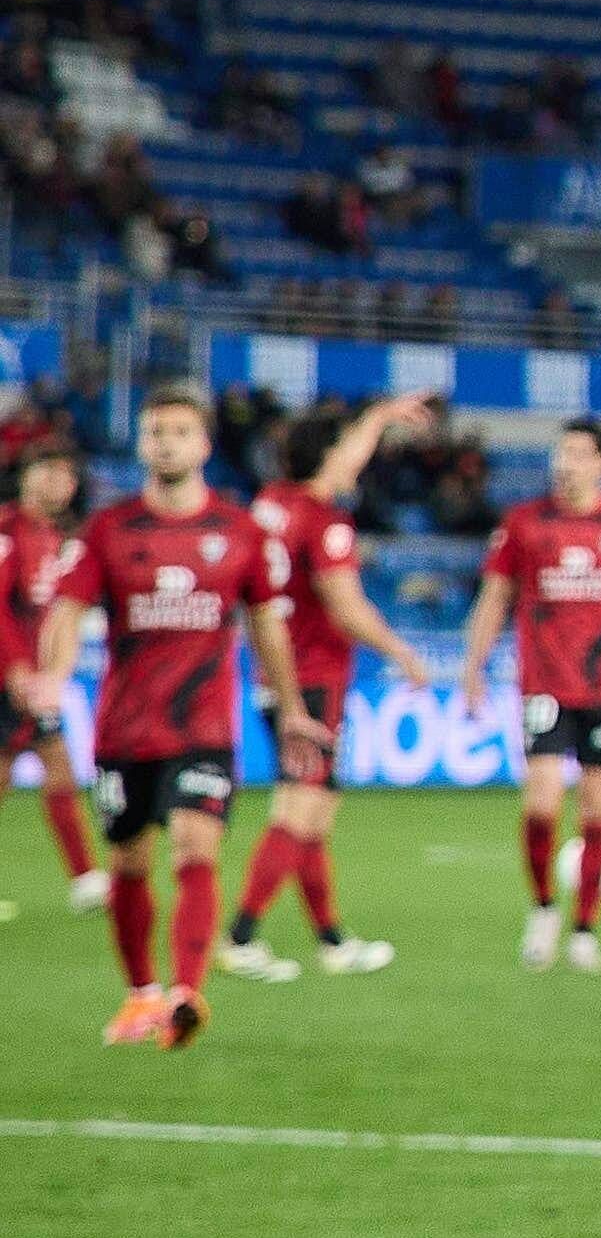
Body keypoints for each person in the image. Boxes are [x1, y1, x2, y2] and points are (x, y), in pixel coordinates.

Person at [49, 392, 317, 1047]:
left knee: (196, 847)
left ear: (203, 446)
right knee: (131, 863)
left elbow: (267, 627)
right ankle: (141, 994)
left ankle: (186, 992)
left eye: (180, 431)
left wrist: (292, 710)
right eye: (154, 431)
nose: (166, 441)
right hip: (126, 730)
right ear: (142, 446)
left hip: (204, 728)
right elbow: (65, 612)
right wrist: (53, 676)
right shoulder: (110, 531)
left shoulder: (239, 532)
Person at [459, 419, 601, 974]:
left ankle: (585, 929)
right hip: (542, 683)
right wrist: (474, 667)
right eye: (560, 453)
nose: (565, 464)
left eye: (578, 454)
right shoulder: (524, 524)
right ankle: (543, 907)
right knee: (541, 802)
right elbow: (494, 598)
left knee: (598, 811)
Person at [225, 397, 422, 979]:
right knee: (299, 807)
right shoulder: (326, 523)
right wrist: (401, 650)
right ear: (325, 457)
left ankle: (332, 941)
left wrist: (380, 416)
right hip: (311, 680)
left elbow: (336, 458)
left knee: (315, 813)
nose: (355, 464)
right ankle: (240, 937)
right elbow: (345, 605)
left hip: (270, 671)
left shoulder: (269, 506)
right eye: (346, 452)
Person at [3, 440, 99, 909]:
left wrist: (49, 672)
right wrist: (17, 669)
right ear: (26, 477)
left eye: (66, 474)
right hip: (8, 675)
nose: (58, 482)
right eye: (47, 471)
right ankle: (85, 877)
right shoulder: (7, 530)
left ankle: (85, 878)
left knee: (57, 763)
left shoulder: (60, 539)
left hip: (34, 679)